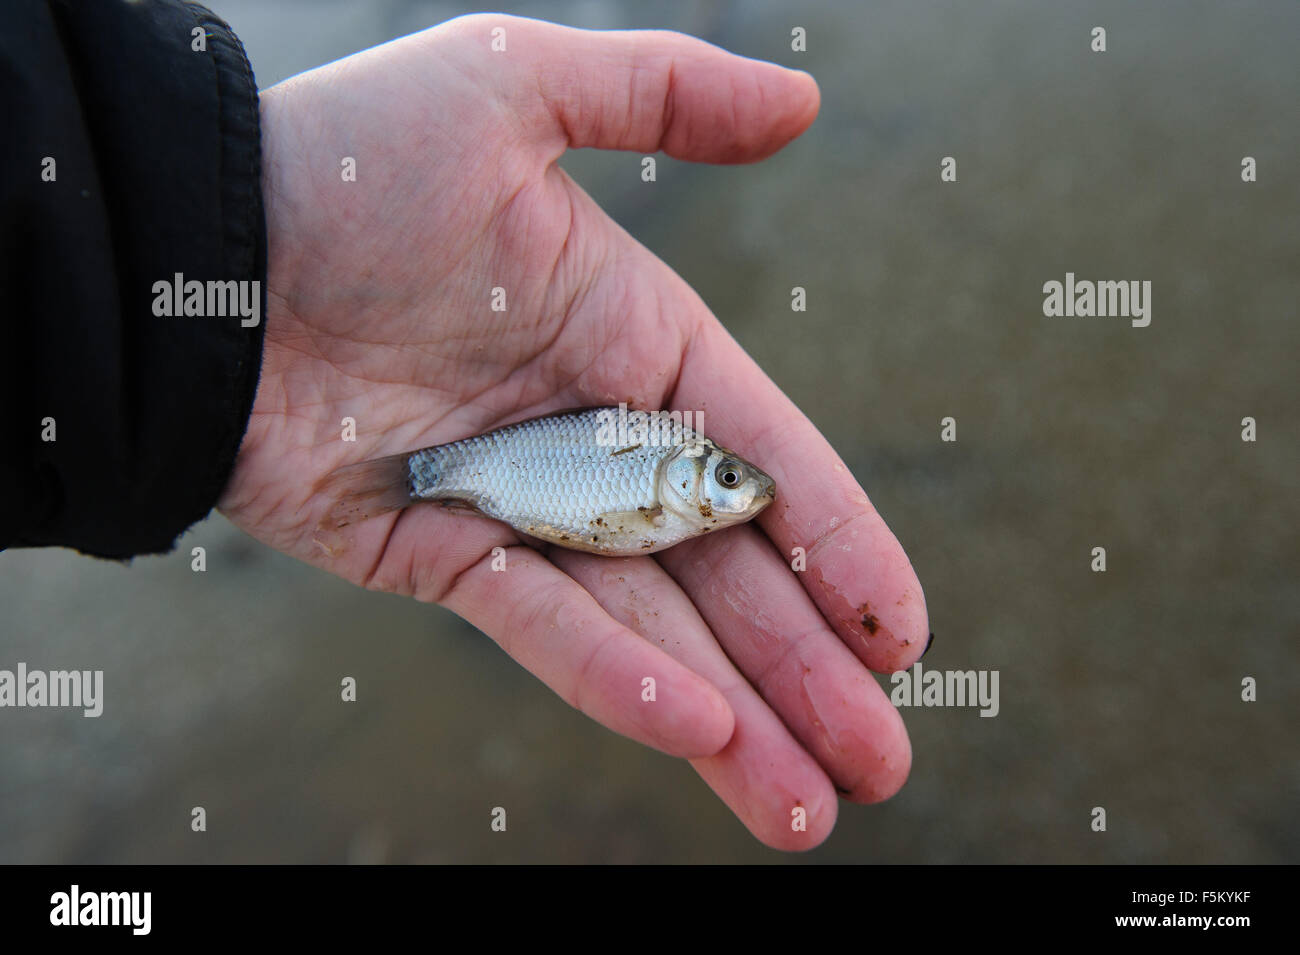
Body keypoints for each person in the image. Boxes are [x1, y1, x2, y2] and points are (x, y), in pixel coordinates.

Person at [2, 2, 929, 851]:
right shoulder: (661, 476)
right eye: (726, 481)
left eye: (729, 485)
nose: (735, 493)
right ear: (690, 475)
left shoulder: (664, 480)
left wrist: (208, 233)